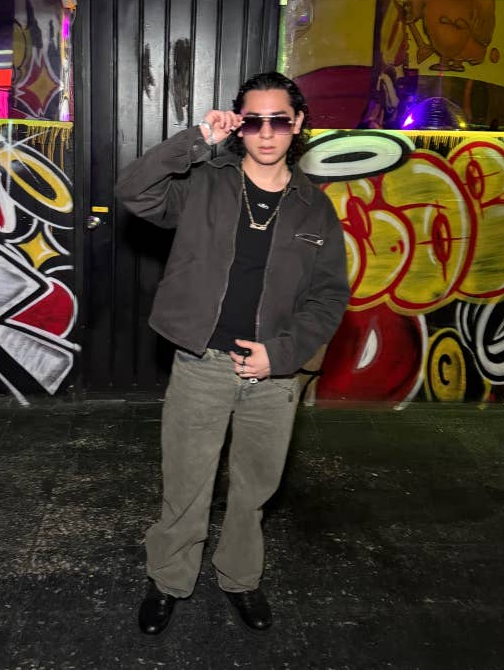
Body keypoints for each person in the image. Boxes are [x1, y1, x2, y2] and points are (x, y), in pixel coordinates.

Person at [116, 72, 350, 636]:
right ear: (239, 124)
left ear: (298, 124)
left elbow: (328, 297)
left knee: (255, 488)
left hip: (273, 374)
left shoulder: (315, 208)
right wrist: (197, 139)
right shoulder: (204, 183)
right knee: (186, 482)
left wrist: (282, 354)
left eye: (279, 120)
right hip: (203, 364)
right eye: (254, 121)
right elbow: (133, 190)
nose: (266, 133)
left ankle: (241, 579)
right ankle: (170, 579)